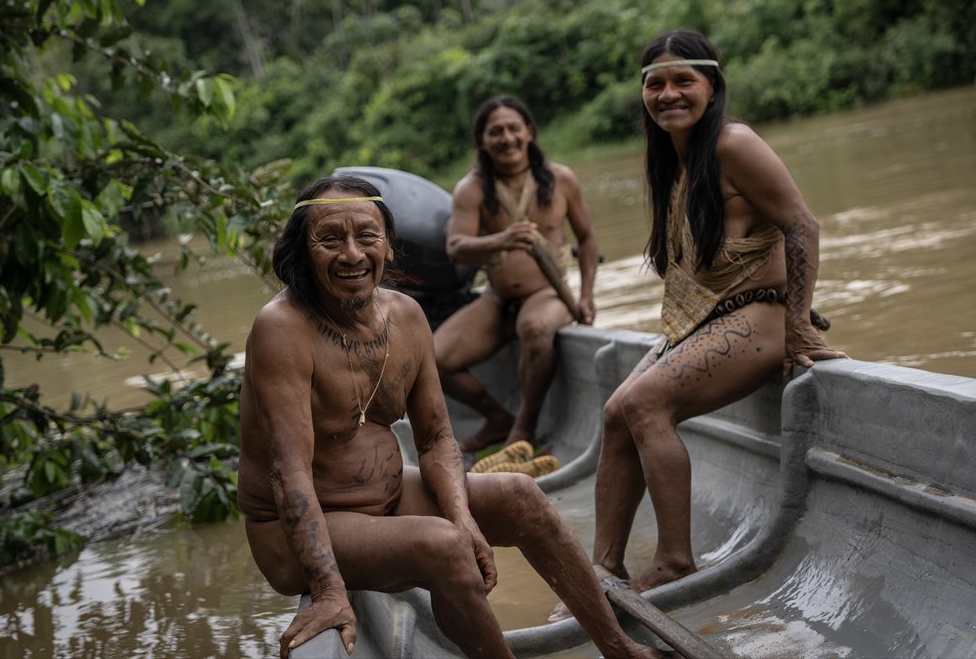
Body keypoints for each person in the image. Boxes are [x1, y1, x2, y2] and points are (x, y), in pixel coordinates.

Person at [238, 174, 665, 659]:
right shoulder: (281, 328)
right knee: (442, 545)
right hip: (297, 533)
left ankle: (619, 648)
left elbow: (438, 437)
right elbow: (288, 472)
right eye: (330, 239)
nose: (352, 254)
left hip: (389, 498)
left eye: (367, 236)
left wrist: (465, 519)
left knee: (520, 496)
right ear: (302, 251)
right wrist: (328, 587)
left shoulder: (407, 316)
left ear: (390, 248)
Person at [551, 30, 847, 618]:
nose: (668, 94)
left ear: (712, 87)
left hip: (760, 315)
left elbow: (803, 226)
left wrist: (798, 325)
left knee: (643, 408)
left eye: (683, 80)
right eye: (654, 84)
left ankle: (674, 559)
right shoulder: (674, 159)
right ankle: (604, 567)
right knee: (615, 413)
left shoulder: (733, 143)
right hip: (713, 320)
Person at [433, 95, 600, 453]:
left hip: (548, 295)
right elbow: (456, 247)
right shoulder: (473, 188)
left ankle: (524, 426)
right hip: (499, 300)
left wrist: (587, 296)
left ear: (529, 133)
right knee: (435, 358)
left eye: (513, 128)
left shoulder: (560, 179)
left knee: (537, 329)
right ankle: (498, 419)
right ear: (482, 141)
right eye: (496, 132)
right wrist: (502, 240)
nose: (506, 138)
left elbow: (587, 240)